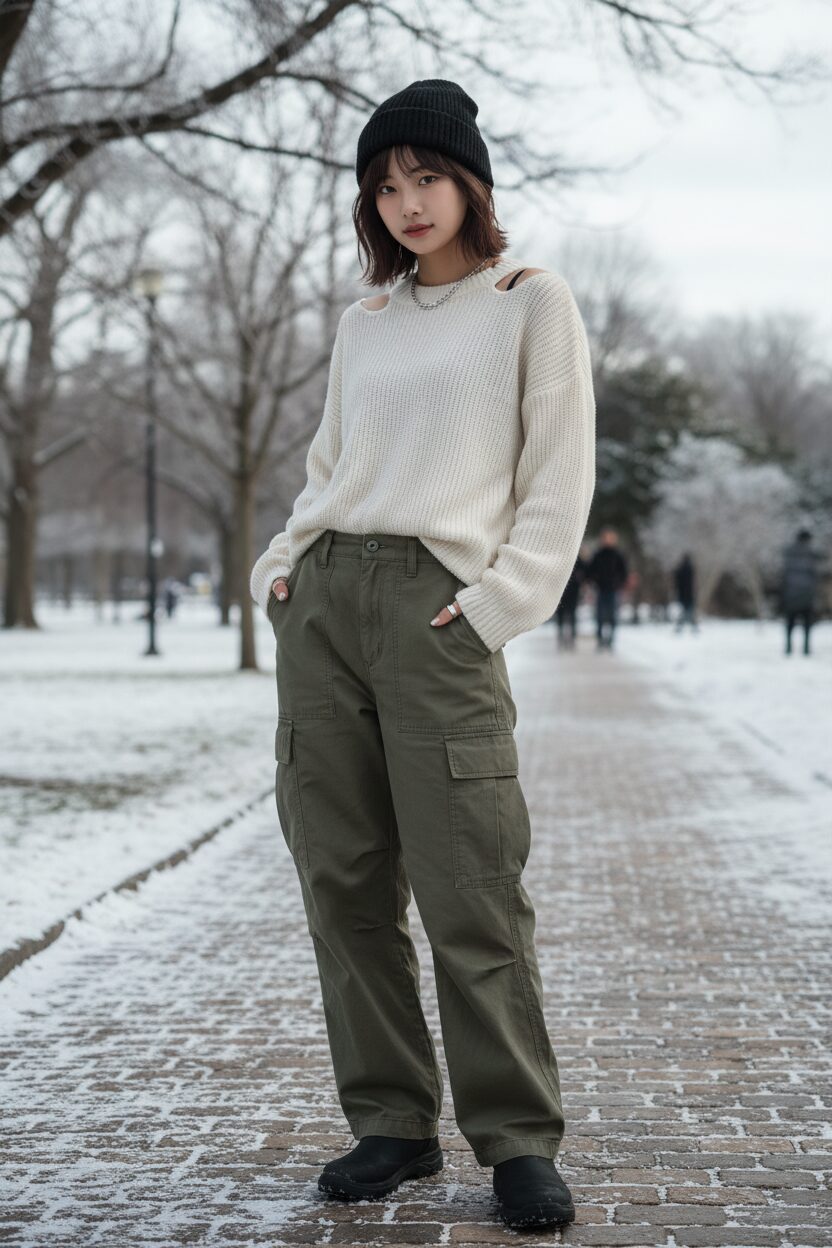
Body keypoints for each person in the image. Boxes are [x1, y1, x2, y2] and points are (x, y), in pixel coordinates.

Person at [249, 79, 596, 1231]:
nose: (406, 202)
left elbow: (555, 484)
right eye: (385, 185)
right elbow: (324, 466)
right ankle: (390, 1124)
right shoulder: (368, 321)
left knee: (469, 888)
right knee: (341, 882)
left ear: (469, 181)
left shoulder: (528, 302)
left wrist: (496, 606)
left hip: (437, 612)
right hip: (328, 601)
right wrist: (280, 570)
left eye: (426, 178)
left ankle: (515, 1139)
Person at [585, 528, 628, 649]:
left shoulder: (618, 555)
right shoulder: (598, 555)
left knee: (613, 616)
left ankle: (611, 640)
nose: (608, 540)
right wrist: (593, 581)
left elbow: (624, 572)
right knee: (599, 616)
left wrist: (618, 583)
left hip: (613, 590)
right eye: (606, 538)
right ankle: (600, 640)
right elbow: (589, 572)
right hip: (600, 590)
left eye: (610, 538)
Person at [780, 528, 820, 656]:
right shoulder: (811, 554)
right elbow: (814, 574)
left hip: (790, 594)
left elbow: (784, 575)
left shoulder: (788, 552)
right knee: (807, 623)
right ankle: (806, 648)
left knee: (790, 623)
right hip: (806, 594)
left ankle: (788, 647)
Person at [554, 547, 589, 649]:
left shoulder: (577, 559)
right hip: (561, 591)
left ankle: (572, 637)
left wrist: (579, 580)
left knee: (572, 615)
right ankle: (561, 636)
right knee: (561, 615)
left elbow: (584, 572)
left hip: (573, 591)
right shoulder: (559, 558)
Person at [673, 553, 698, 632]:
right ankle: (692, 627)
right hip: (689, 594)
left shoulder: (680, 569)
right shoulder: (690, 569)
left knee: (685, 612)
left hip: (682, 594)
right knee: (689, 612)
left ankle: (681, 627)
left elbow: (677, 582)